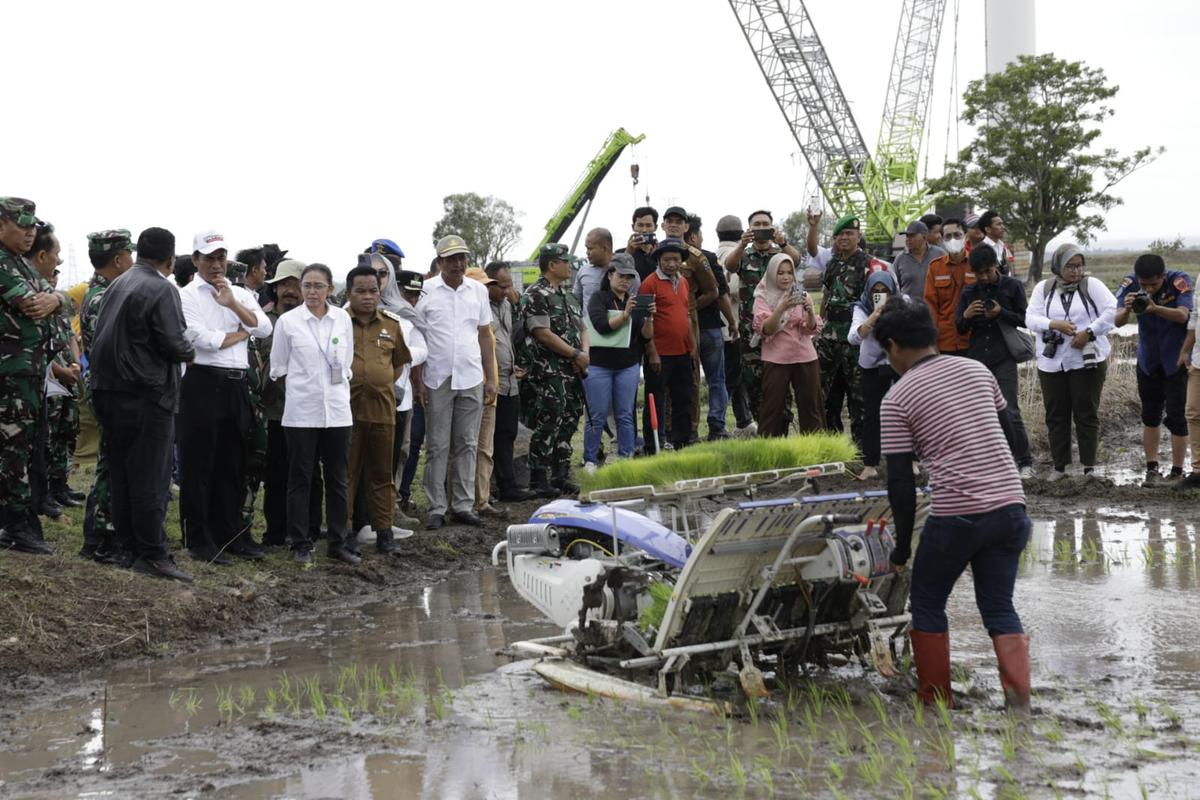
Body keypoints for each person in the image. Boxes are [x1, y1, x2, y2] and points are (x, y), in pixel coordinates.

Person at [876, 299, 1031, 713]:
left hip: (959, 515)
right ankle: (1019, 703)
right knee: (999, 605)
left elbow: (901, 484)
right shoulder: (977, 371)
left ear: (892, 345)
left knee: (927, 601)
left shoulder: (897, 399)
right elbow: (1011, 429)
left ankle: (935, 700)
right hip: (1012, 508)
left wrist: (902, 549)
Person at [90, 227, 196, 581]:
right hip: (146, 393)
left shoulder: (118, 283)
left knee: (122, 475)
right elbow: (173, 342)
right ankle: (153, 554)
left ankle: (130, 548)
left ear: (136, 253)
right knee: (151, 477)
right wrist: (191, 349)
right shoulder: (161, 287)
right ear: (170, 259)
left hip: (108, 392)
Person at [178, 230, 272, 565]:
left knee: (232, 464)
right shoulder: (187, 294)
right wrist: (240, 332)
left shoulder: (239, 293)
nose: (216, 265)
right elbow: (202, 340)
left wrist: (232, 303)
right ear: (196, 260)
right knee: (200, 464)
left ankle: (230, 534)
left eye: (221, 257)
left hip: (236, 385)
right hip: (204, 383)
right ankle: (200, 539)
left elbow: (264, 328)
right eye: (209, 258)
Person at [269, 263, 358, 565]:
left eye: (318, 286)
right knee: (300, 478)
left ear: (330, 289)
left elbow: (345, 363)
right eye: (307, 285)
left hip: (336, 410)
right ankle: (300, 542)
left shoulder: (342, 319)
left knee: (337, 478)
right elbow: (278, 366)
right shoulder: (289, 322)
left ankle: (338, 541)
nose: (312, 292)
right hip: (301, 412)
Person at [417, 235, 496, 528]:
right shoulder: (425, 292)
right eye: (451, 259)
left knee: (468, 442)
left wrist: (490, 378)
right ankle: (437, 507)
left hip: (471, 375)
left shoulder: (477, 291)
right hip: (437, 377)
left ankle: (463, 505)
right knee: (437, 445)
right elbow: (417, 337)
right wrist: (418, 381)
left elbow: (485, 335)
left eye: (462, 258)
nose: (458, 264)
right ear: (440, 262)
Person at [0, 198, 64, 555]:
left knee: (23, 447)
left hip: (27, 373)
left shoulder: (18, 263)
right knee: (13, 449)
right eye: (22, 226)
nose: (30, 234)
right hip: (9, 374)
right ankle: (17, 525)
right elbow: (31, 303)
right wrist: (52, 299)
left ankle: (17, 522)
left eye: (33, 227)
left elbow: (58, 303)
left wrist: (55, 299)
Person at [1026, 244, 1117, 480]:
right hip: (1053, 362)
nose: (1076, 271)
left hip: (1087, 360)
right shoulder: (1044, 288)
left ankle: (1089, 468)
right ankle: (1059, 468)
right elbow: (1031, 318)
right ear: (1058, 266)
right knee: (1056, 414)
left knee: (1086, 412)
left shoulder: (1091, 285)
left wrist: (1090, 331)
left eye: (1079, 266)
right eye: (1070, 266)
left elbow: (1111, 310)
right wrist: (1053, 324)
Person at [78, 229, 137, 560]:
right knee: (111, 465)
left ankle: (104, 536)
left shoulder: (104, 292)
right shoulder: (105, 298)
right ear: (118, 259)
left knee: (113, 462)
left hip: (112, 389)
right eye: (129, 254)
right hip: (112, 390)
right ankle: (100, 539)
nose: (132, 260)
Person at [345, 263, 412, 554]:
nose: (368, 296)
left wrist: (376, 381)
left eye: (373, 290)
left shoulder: (391, 324)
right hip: (345, 412)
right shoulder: (337, 322)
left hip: (382, 411)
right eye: (360, 291)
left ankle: (384, 532)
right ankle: (344, 532)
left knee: (382, 474)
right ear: (349, 293)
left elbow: (397, 365)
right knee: (346, 474)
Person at [956, 245, 1035, 479]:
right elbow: (959, 327)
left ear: (996, 266)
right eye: (978, 273)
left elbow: (1025, 320)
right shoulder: (969, 292)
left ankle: (1024, 461)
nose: (983, 277)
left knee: (1010, 411)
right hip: (977, 359)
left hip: (1004, 357)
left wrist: (1001, 312)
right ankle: (989, 463)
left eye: (987, 272)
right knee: (980, 414)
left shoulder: (1012, 287)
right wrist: (967, 316)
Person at [259, 259, 323, 548]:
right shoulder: (263, 322)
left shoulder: (318, 322)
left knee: (310, 473)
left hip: (309, 413)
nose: (289, 290)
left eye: (295, 284)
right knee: (276, 474)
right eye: (283, 284)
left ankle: (309, 528)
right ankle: (275, 532)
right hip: (274, 412)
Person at [517, 242, 588, 495]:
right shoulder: (536, 294)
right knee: (549, 418)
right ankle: (539, 477)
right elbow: (542, 333)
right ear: (552, 265)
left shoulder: (567, 295)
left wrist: (584, 355)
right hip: (548, 370)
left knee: (570, 418)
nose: (570, 265)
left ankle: (560, 473)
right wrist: (575, 354)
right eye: (565, 261)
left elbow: (582, 328)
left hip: (573, 370)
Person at [1115, 253, 1192, 485]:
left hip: (1175, 360)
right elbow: (1117, 322)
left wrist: (1155, 308)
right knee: (1150, 416)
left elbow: (1183, 315)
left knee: (1178, 417)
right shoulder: (1130, 284)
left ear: (1163, 276)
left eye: (1153, 284)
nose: (1147, 289)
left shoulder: (1179, 281)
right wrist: (1128, 309)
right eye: (1144, 284)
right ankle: (1152, 469)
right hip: (1148, 361)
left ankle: (1177, 472)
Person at [725, 209, 805, 423]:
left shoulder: (780, 255)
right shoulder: (745, 254)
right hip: (752, 332)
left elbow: (796, 261)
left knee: (780, 382)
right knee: (753, 384)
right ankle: (764, 427)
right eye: (756, 225)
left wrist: (783, 242)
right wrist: (741, 245)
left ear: (772, 227)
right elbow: (729, 266)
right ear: (749, 229)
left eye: (765, 224)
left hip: (780, 331)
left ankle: (783, 426)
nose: (761, 228)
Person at [815, 215, 888, 444]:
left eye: (850, 233)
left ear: (858, 236)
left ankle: (861, 447)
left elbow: (879, 305)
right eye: (840, 234)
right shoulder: (833, 263)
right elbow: (826, 298)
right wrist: (820, 325)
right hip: (829, 338)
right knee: (827, 393)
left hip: (856, 337)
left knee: (859, 396)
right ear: (835, 238)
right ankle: (832, 443)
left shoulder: (871, 265)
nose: (844, 238)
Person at [27, 224, 83, 517]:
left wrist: (75, 365)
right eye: (55, 258)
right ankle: (42, 493)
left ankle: (58, 486)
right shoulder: (31, 297)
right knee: (42, 441)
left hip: (64, 378)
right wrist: (60, 370)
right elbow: (36, 345)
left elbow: (69, 337)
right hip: (46, 379)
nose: (57, 265)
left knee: (63, 433)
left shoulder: (54, 302)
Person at [584, 258, 654, 469]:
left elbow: (646, 335)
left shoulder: (633, 301)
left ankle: (627, 458)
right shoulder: (599, 298)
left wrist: (649, 317)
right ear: (610, 275)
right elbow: (601, 326)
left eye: (629, 277)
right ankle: (590, 460)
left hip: (628, 365)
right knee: (596, 415)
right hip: (599, 365)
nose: (625, 281)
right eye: (621, 275)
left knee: (625, 414)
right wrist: (625, 315)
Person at [751, 254, 824, 436]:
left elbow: (810, 330)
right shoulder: (762, 297)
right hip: (776, 358)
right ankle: (769, 453)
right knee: (772, 409)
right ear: (771, 274)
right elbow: (766, 329)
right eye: (780, 273)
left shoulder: (801, 294)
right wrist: (781, 308)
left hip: (805, 356)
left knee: (811, 407)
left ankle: (814, 450)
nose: (785, 277)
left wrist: (810, 312)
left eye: (789, 273)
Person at [640, 239, 696, 451]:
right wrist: (652, 352)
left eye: (676, 259)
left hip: (682, 351)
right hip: (660, 354)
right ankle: (653, 445)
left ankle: (681, 442)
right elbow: (644, 320)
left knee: (683, 397)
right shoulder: (649, 283)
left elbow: (687, 315)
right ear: (658, 260)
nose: (671, 264)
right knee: (656, 400)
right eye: (666, 259)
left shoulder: (683, 282)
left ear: (682, 260)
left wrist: (692, 347)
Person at [685, 215, 736, 440]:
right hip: (710, 328)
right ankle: (717, 426)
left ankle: (690, 428)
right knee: (717, 379)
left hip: (684, 331)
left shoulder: (669, 258)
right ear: (694, 236)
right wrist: (732, 322)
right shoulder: (706, 258)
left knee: (690, 380)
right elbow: (720, 294)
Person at [485, 261, 532, 502]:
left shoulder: (505, 305)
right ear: (489, 282)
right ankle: (493, 487)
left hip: (510, 378)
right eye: (501, 286)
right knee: (490, 437)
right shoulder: (481, 306)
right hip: (491, 380)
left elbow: (507, 339)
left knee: (508, 432)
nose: (506, 291)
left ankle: (508, 486)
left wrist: (511, 364)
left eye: (509, 285)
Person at [848, 271, 901, 480]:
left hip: (899, 361)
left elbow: (912, 328)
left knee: (907, 409)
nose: (880, 294)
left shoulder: (902, 302)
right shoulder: (861, 308)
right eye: (875, 292)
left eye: (884, 291)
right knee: (872, 413)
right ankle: (870, 464)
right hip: (871, 365)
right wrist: (873, 317)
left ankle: (912, 460)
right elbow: (853, 337)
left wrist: (892, 315)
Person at [464, 266, 503, 518]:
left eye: (487, 286)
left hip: (490, 388)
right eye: (481, 285)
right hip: (467, 387)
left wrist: (492, 381)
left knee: (484, 448)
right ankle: (460, 500)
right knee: (463, 447)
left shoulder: (486, 315)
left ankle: (482, 500)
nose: (485, 290)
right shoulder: (464, 318)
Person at [714, 215, 754, 436]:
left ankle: (743, 420)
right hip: (735, 326)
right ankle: (718, 424)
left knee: (734, 377)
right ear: (741, 234)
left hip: (717, 327)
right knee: (731, 377)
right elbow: (736, 289)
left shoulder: (713, 255)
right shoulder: (739, 255)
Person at [923, 217, 974, 356]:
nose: (953, 240)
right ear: (942, 239)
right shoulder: (935, 267)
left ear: (966, 237)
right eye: (948, 236)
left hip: (974, 339)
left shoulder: (977, 264)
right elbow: (930, 305)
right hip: (945, 341)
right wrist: (932, 341)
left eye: (957, 235)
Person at [893, 220, 947, 300]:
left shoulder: (940, 254)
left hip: (934, 308)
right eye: (907, 236)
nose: (908, 239)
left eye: (912, 236)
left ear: (924, 236)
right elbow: (895, 286)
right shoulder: (900, 258)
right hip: (909, 309)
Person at [619, 206, 659, 280]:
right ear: (633, 227)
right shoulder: (620, 254)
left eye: (649, 225)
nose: (644, 230)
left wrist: (658, 256)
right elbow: (615, 277)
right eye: (640, 225)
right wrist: (627, 253)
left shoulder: (662, 253)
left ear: (655, 227)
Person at [977, 210, 1015, 275]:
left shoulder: (1002, 246)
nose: (1003, 227)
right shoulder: (981, 249)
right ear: (988, 229)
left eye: (1002, 224)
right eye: (998, 224)